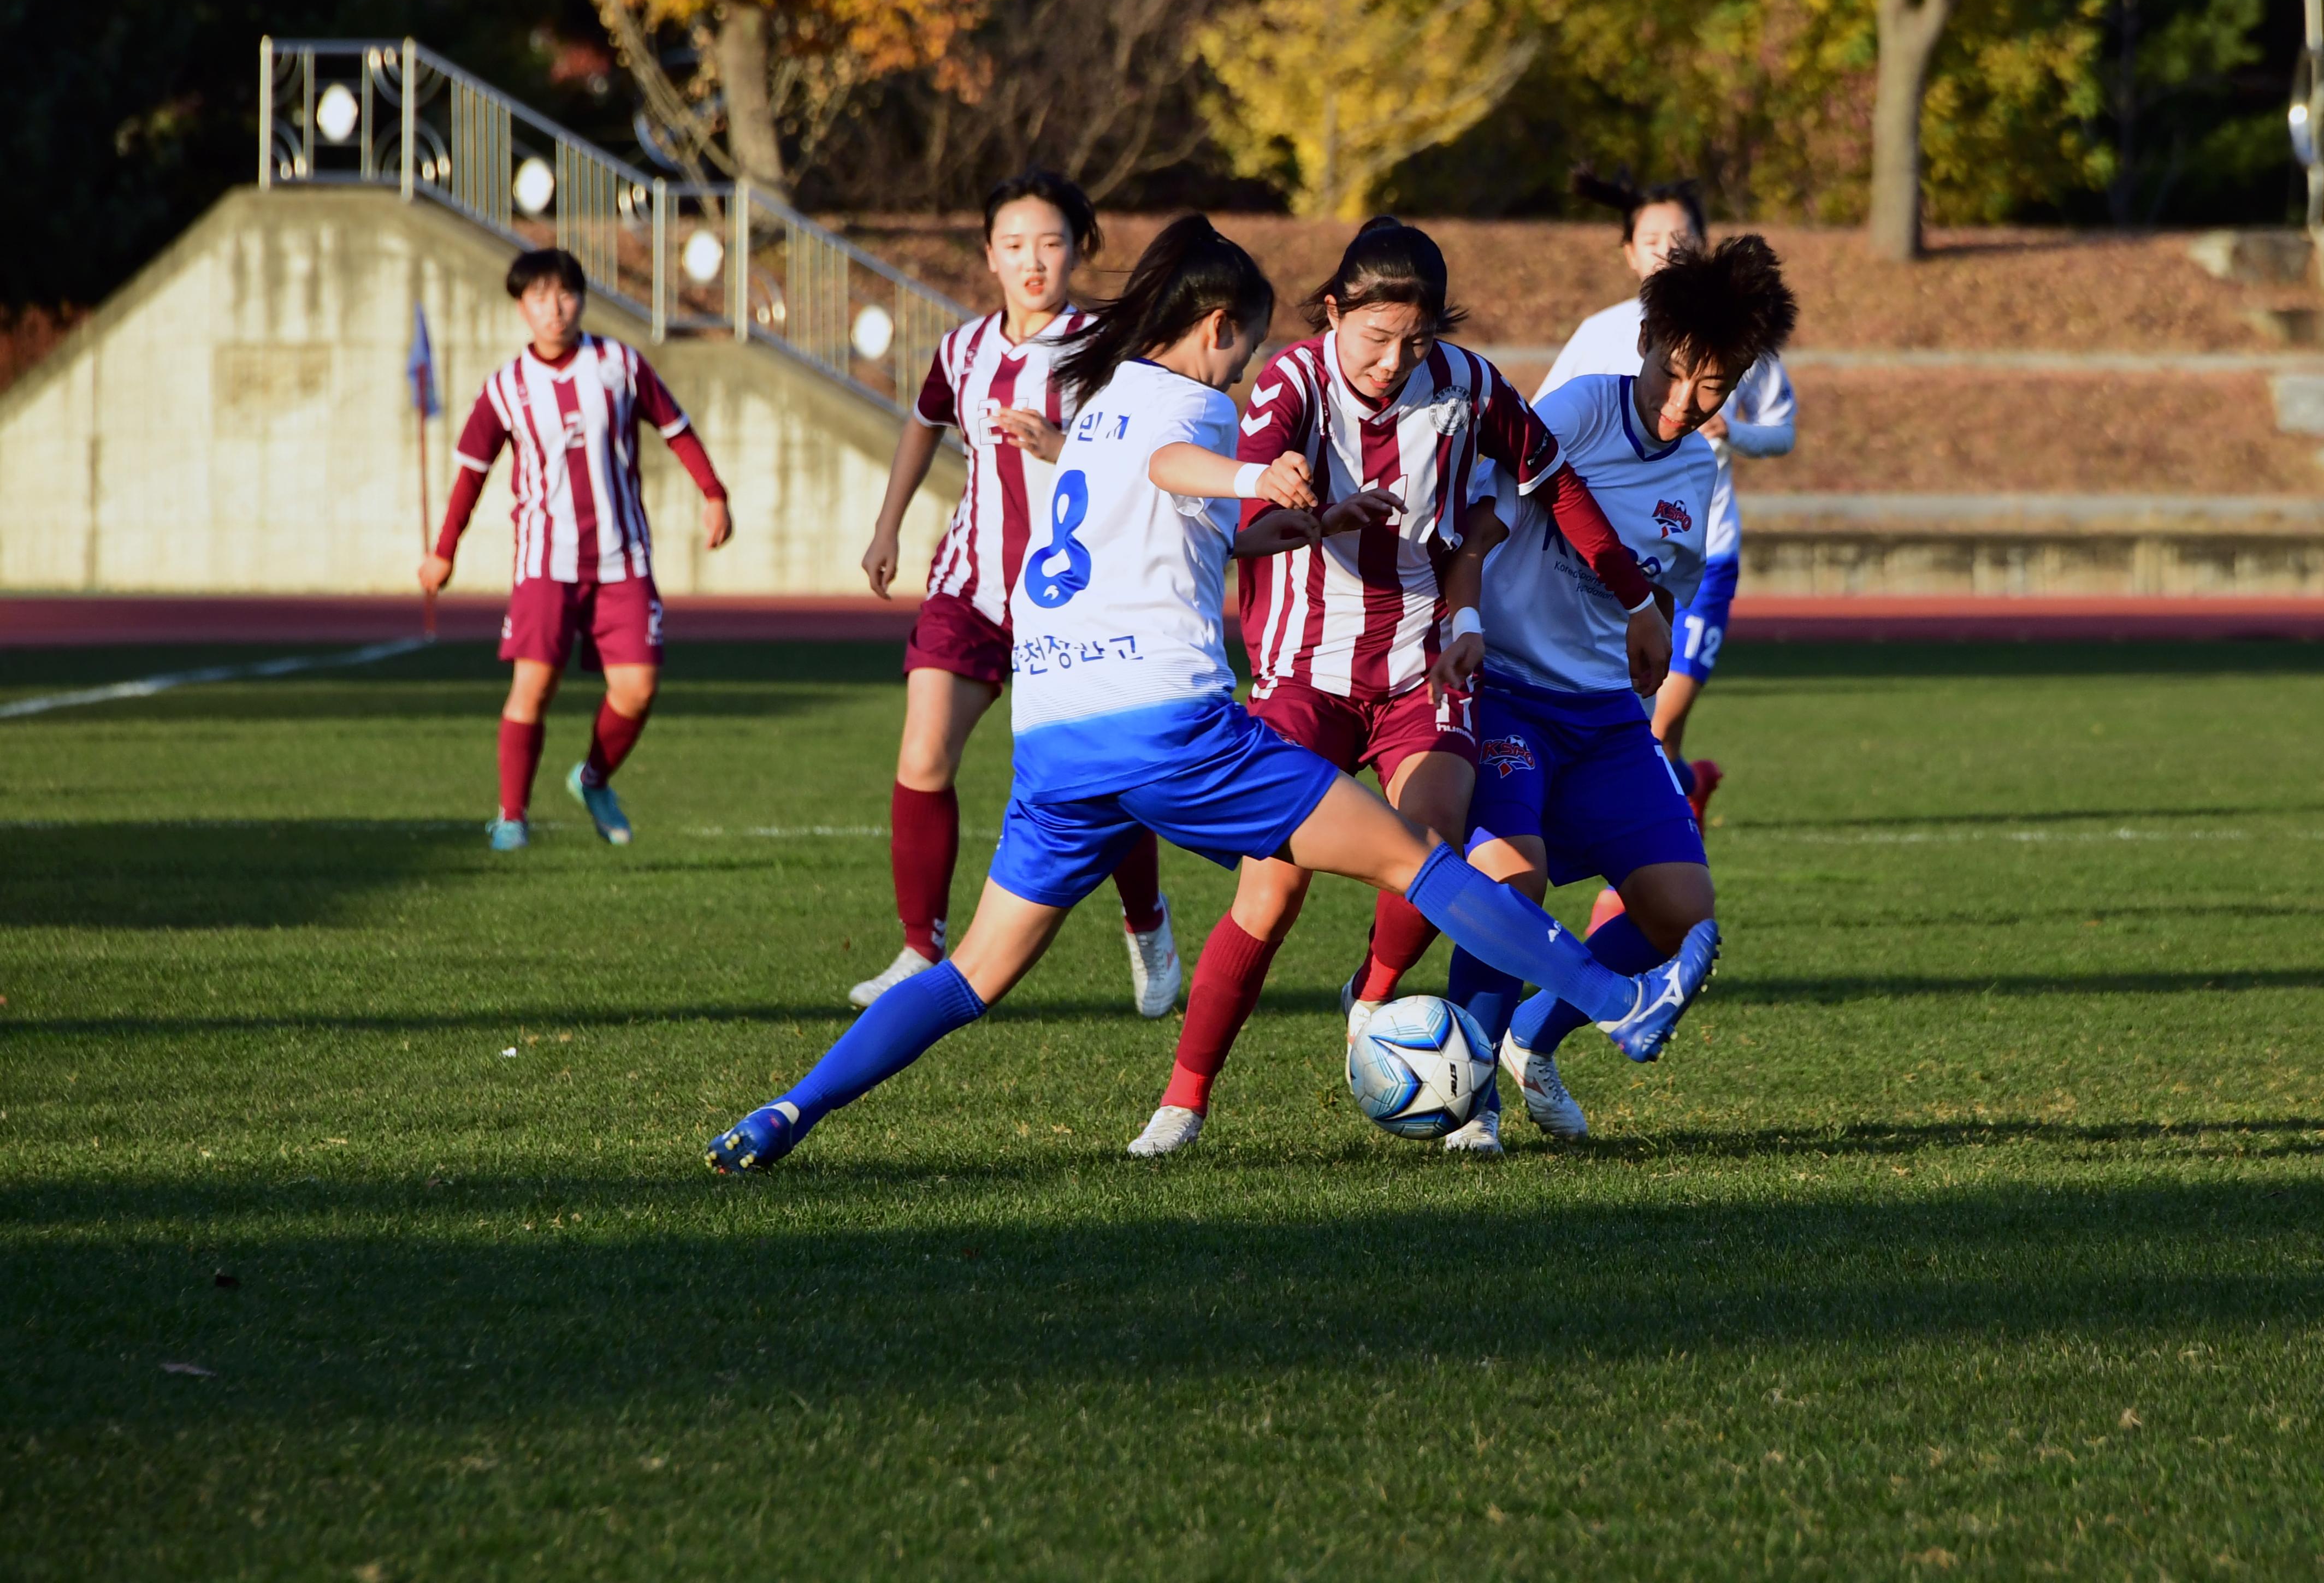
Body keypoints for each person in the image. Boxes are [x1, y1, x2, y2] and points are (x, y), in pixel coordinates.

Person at [705, 216, 1716, 1176]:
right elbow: (1179, 465)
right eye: (1245, 346)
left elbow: (1188, 519)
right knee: (1417, 858)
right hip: (1170, 730)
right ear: (1220, 329)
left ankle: (786, 1110)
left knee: (969, 974)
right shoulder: (1194, 406)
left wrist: (1297, 517)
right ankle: (1615, 1000)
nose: (1244, 366)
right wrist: (1243, 471)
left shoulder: (1096, 409)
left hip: (1055, 738)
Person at [1126, 217, 1670, 1159]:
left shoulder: (1466, 385)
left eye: (1413, 341)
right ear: (1334, 310)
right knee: (1271, 891)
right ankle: (1182, 1100)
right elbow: (1238, 527)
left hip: (1421, 671)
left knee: (1432, 848)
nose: (1393, 359)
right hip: (1303, 673)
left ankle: (1373, 991)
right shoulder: (1290, 382)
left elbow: (1554, 482)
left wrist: (1636, 600)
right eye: (1375, 336)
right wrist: (1297, 503)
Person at [1454, 234, 1798, 1145]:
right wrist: (1462, 617)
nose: (1685, 403)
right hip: (1510, 693)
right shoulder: (1576, 411)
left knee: (1681, 912)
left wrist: (1652, 642)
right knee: (1509, 877)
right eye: (1677, 373)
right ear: (1646, 339)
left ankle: (1533, 1038)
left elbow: (1671, 584)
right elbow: (1480, 524)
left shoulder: (1699, 470)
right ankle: (1469, 1097)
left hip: (1604, 713)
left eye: (1714, 387)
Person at [849, 171, 1174, 1015]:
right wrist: (887, 527)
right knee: (923, 754)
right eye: (1016, 245)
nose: (1034, 261)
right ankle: (921, 949)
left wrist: (1061, 443)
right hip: (971, 584)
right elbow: (924, 422)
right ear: (990, 256)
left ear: (1078, 251)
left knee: (1104, 776)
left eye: (1052, 243)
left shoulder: (1107, 343)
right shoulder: (961, 351)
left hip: (1071, 595)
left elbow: (1143, 456)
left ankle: (1147, 925)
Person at [421, 246, 732, 850]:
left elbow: (676, 427)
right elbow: (471, 472)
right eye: (539, 297)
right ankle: (513, 815)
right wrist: (444, 549)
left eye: (565, 294)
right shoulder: (506, 388)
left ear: (583, 299)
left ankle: (593, 778)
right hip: (545, 562)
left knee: (638, 688)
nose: (555, 308)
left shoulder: (619, 365)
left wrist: (713, 492)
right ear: (520, 307)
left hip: (624, 557)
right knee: (534, 687)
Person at [1540, 176, 1795, 823]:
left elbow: (1784, 430)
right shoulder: (1601, 336)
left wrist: (1737, 435)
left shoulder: (1743, 344)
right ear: (1629, 253)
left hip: (1698, 558)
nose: (1665, 249)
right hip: (1596, 568)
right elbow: (1535, 433)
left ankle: (1650, 883)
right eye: (1651, 239)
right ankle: (1680, 810)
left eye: (1679, 238)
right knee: (1650, 743)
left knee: (1654, 728)